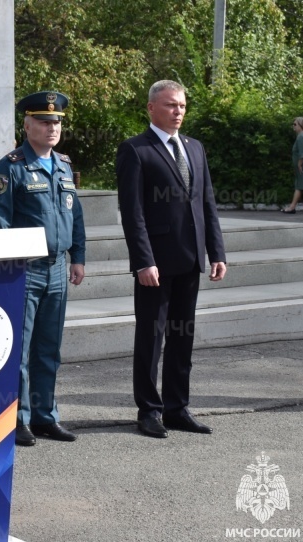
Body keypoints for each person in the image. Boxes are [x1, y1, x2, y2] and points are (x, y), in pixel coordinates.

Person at [116, 79, 227, 439]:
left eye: (181, 105)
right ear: (151, 108)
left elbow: (206, 203)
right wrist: (143, 261)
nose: (177, 111)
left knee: (183, 338)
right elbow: (132, 214)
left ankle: (178, 408)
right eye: (169, 105)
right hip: (156, 266)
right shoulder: (136, 150)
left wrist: (217, 251)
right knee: (151, 338)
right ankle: (149, 410)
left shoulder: (195, 148)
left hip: (190, 259)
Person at [0, 91, 86, 447]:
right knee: (20, 351)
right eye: (44, 121)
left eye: (56, 122)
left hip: (58, 268)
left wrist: (79, 256)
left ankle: (46, 416)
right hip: (25, 271)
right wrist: (10, 267)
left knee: (48, 348)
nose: (52, 127)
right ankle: (18, 419)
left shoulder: (62, 165)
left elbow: (75, 215)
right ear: (26, 126)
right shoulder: (9, 168)